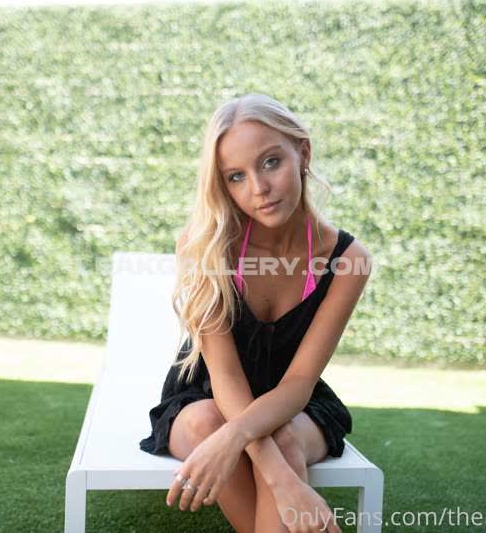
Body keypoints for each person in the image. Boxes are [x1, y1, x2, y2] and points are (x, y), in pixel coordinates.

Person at [138, 93, 372, 533]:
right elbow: (224, 376)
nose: (258, 188)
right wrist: (284, 482)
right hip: (206, 397)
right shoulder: (206, 246)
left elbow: (299, 382)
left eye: (270, 162)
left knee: (284, 437)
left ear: (303, 153)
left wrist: (239, 437)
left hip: (293, 403)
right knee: (211, 423)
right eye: (236, 176)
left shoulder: (347, 260)